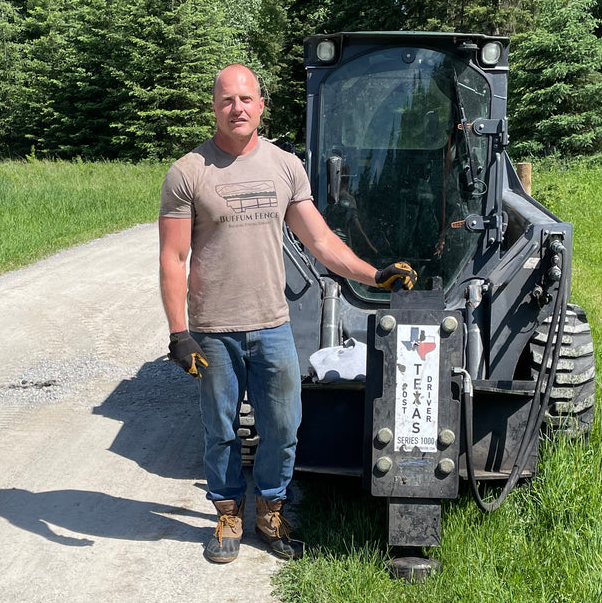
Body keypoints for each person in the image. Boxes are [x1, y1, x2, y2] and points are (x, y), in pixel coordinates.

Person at [159, 64, 416, 564]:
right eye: (227, 99)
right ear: (214, 107)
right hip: (213, 330)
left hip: (272, 325)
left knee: (283, 426)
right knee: (221, 429)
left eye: (246, 98)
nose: (237, 107)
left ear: (261, 106)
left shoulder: (283, 165)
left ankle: (270, 510)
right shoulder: (188, 172)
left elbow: (319, 240)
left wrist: (373, 274)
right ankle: (228, 511)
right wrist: (179, 333)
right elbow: (173, 257)